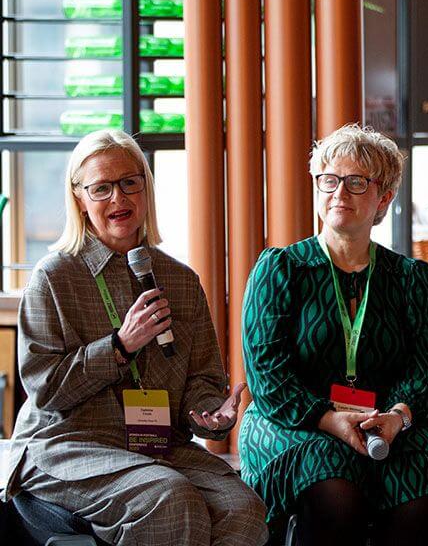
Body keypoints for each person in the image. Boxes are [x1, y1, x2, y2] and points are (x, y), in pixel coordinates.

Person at [2, 130, 268, 545]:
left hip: (155, 443)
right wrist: (119, 345)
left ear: (146, 187)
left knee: (244, 509)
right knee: (169, 498)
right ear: (79, 199)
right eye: (102, 188)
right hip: (67, 444)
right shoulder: (53, 277)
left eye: (130, 182)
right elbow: (46, 391)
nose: (119, 199)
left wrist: (211, 414)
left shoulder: (180, 280)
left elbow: (203, 381)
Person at [239, 124, 428, 546]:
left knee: (421, 492)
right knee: (334, 489)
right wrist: (330, 419)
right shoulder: (281, 268)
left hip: (384, 424)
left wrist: (397, 416)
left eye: (357, 182)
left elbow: (427, 375)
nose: (340, 192)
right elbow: (268, 380)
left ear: (385, 197)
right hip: (295, 422)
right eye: (329, 180)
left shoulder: (411, 278)